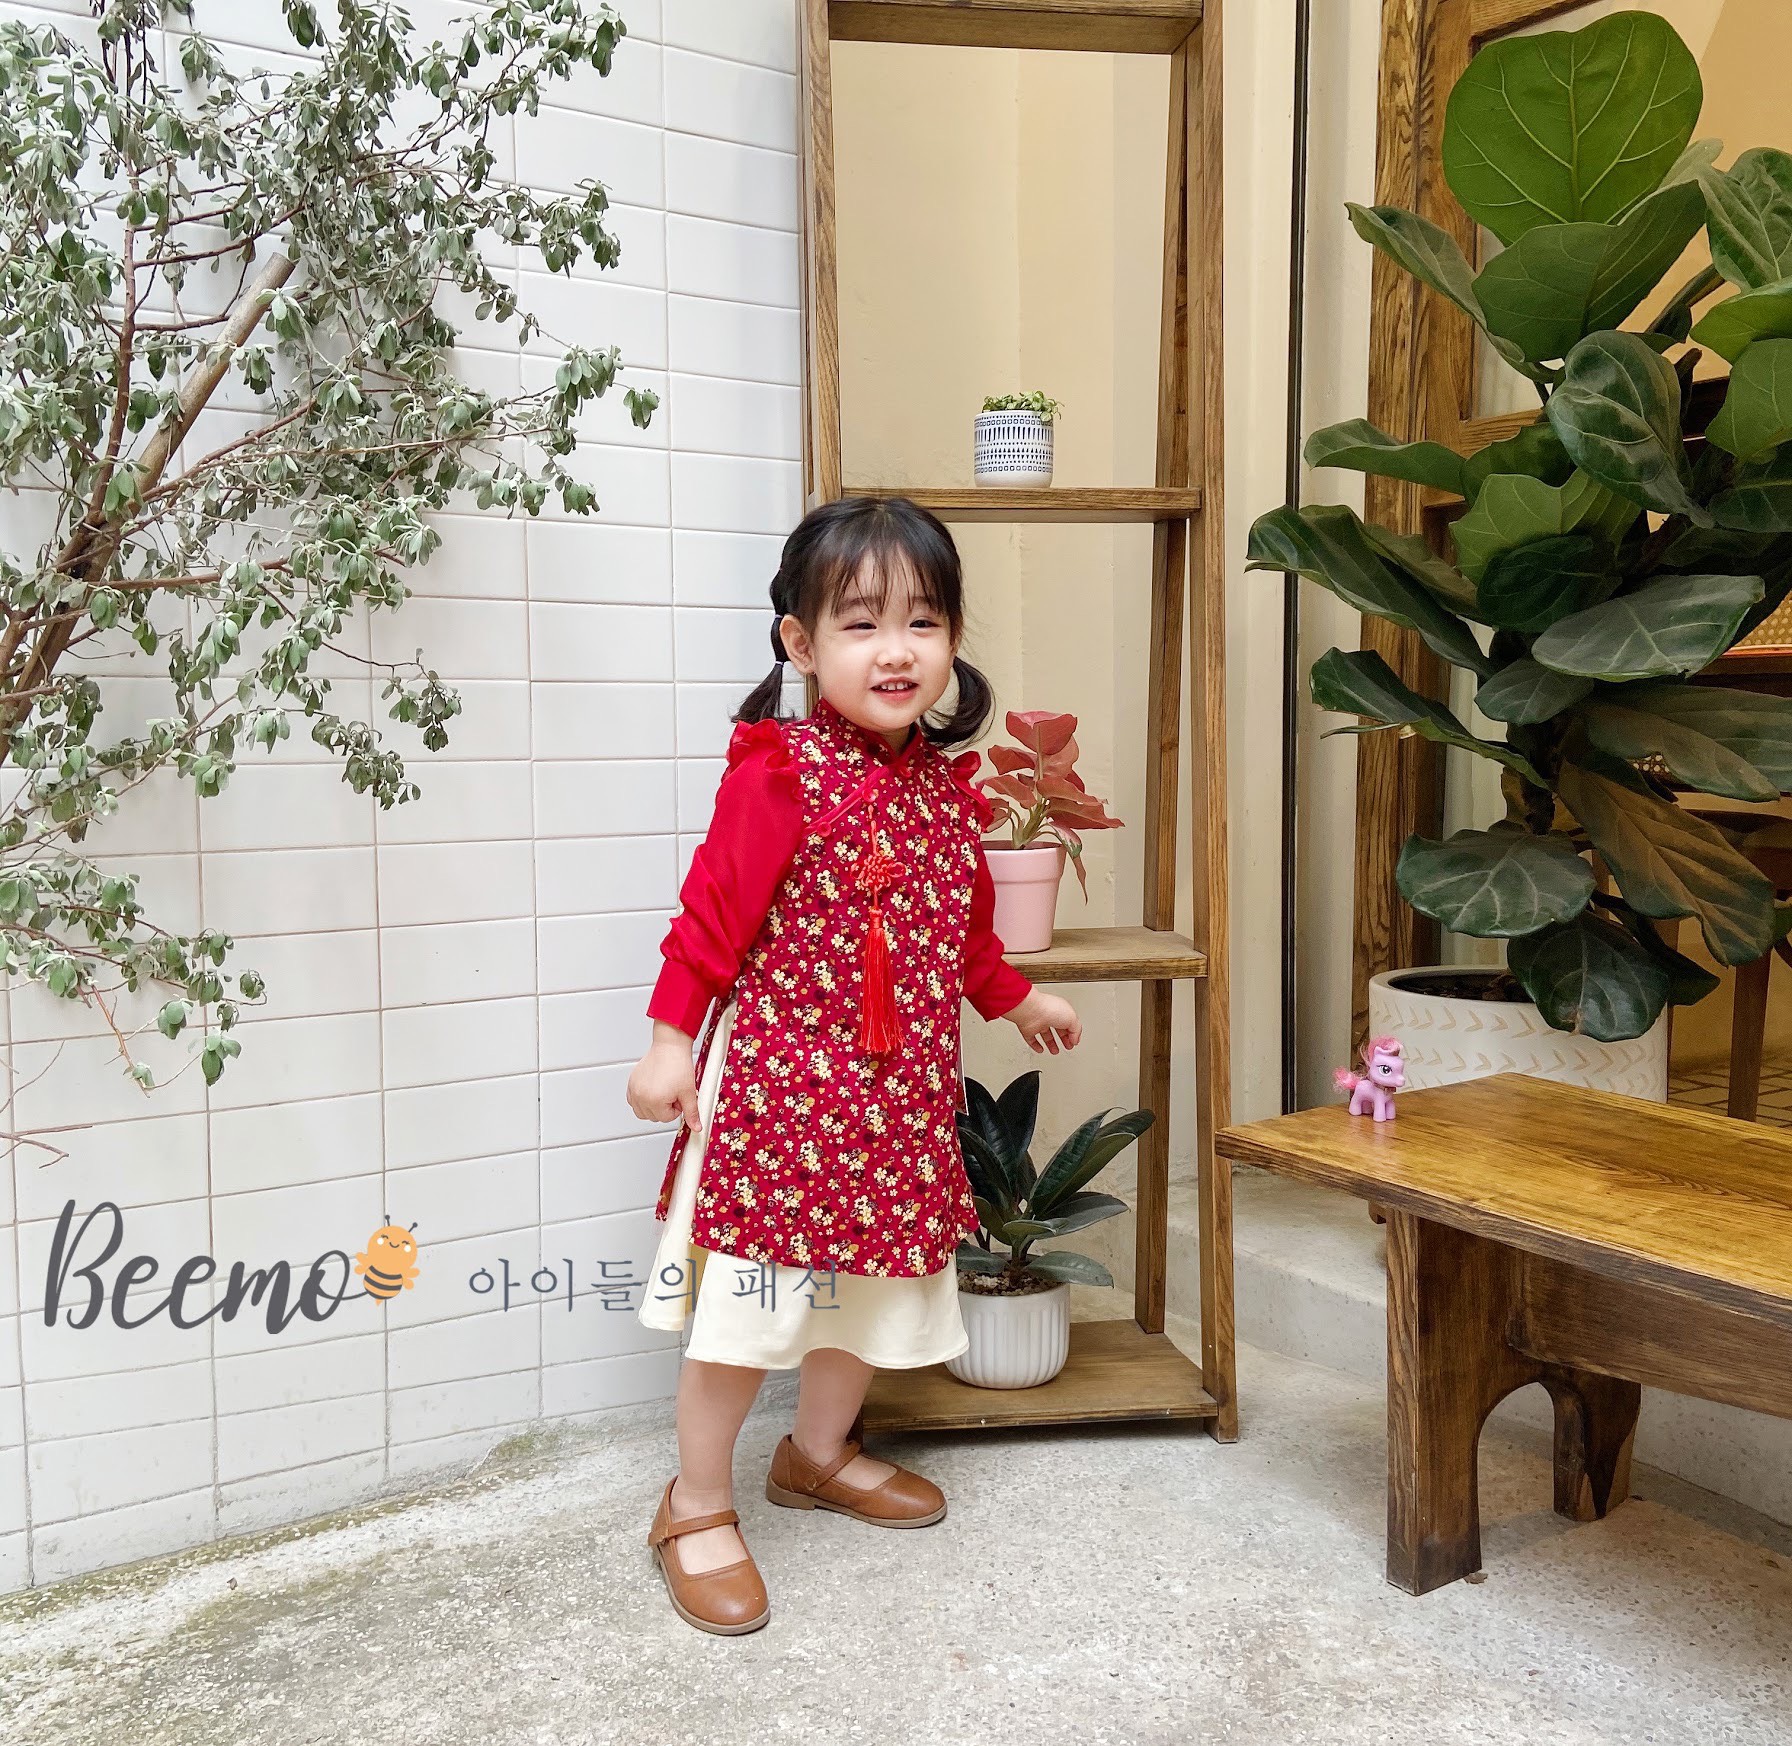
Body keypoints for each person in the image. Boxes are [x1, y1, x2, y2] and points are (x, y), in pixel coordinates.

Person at [625, 494, 1083, 1635]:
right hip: (781, 1101)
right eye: (862, 623)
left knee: (868, 1300)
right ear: (801, 641)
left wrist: (1019, 1000)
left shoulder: (945, 792)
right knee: (751, 1310)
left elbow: (962, 938)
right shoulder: (775, 771)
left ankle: (817, 1453)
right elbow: (710, 919)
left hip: (896, 1108)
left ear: (954, 638)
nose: (896, 650)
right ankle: (693, 1503)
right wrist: (670, 1040)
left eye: (922, 622)